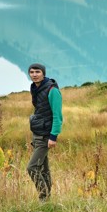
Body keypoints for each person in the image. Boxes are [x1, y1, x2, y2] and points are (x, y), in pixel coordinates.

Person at [26, 62, 63, 201]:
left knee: (32, 167)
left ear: (43, 73)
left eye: (37, 72)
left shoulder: (52, 90)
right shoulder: (35, 88)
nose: (34, 75)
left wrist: (53, 136)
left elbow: (57, 116)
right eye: (32, 72)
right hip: (37, 134)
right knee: (43, 168)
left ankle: (43, 197)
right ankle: (48, 200)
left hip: (46, 136)